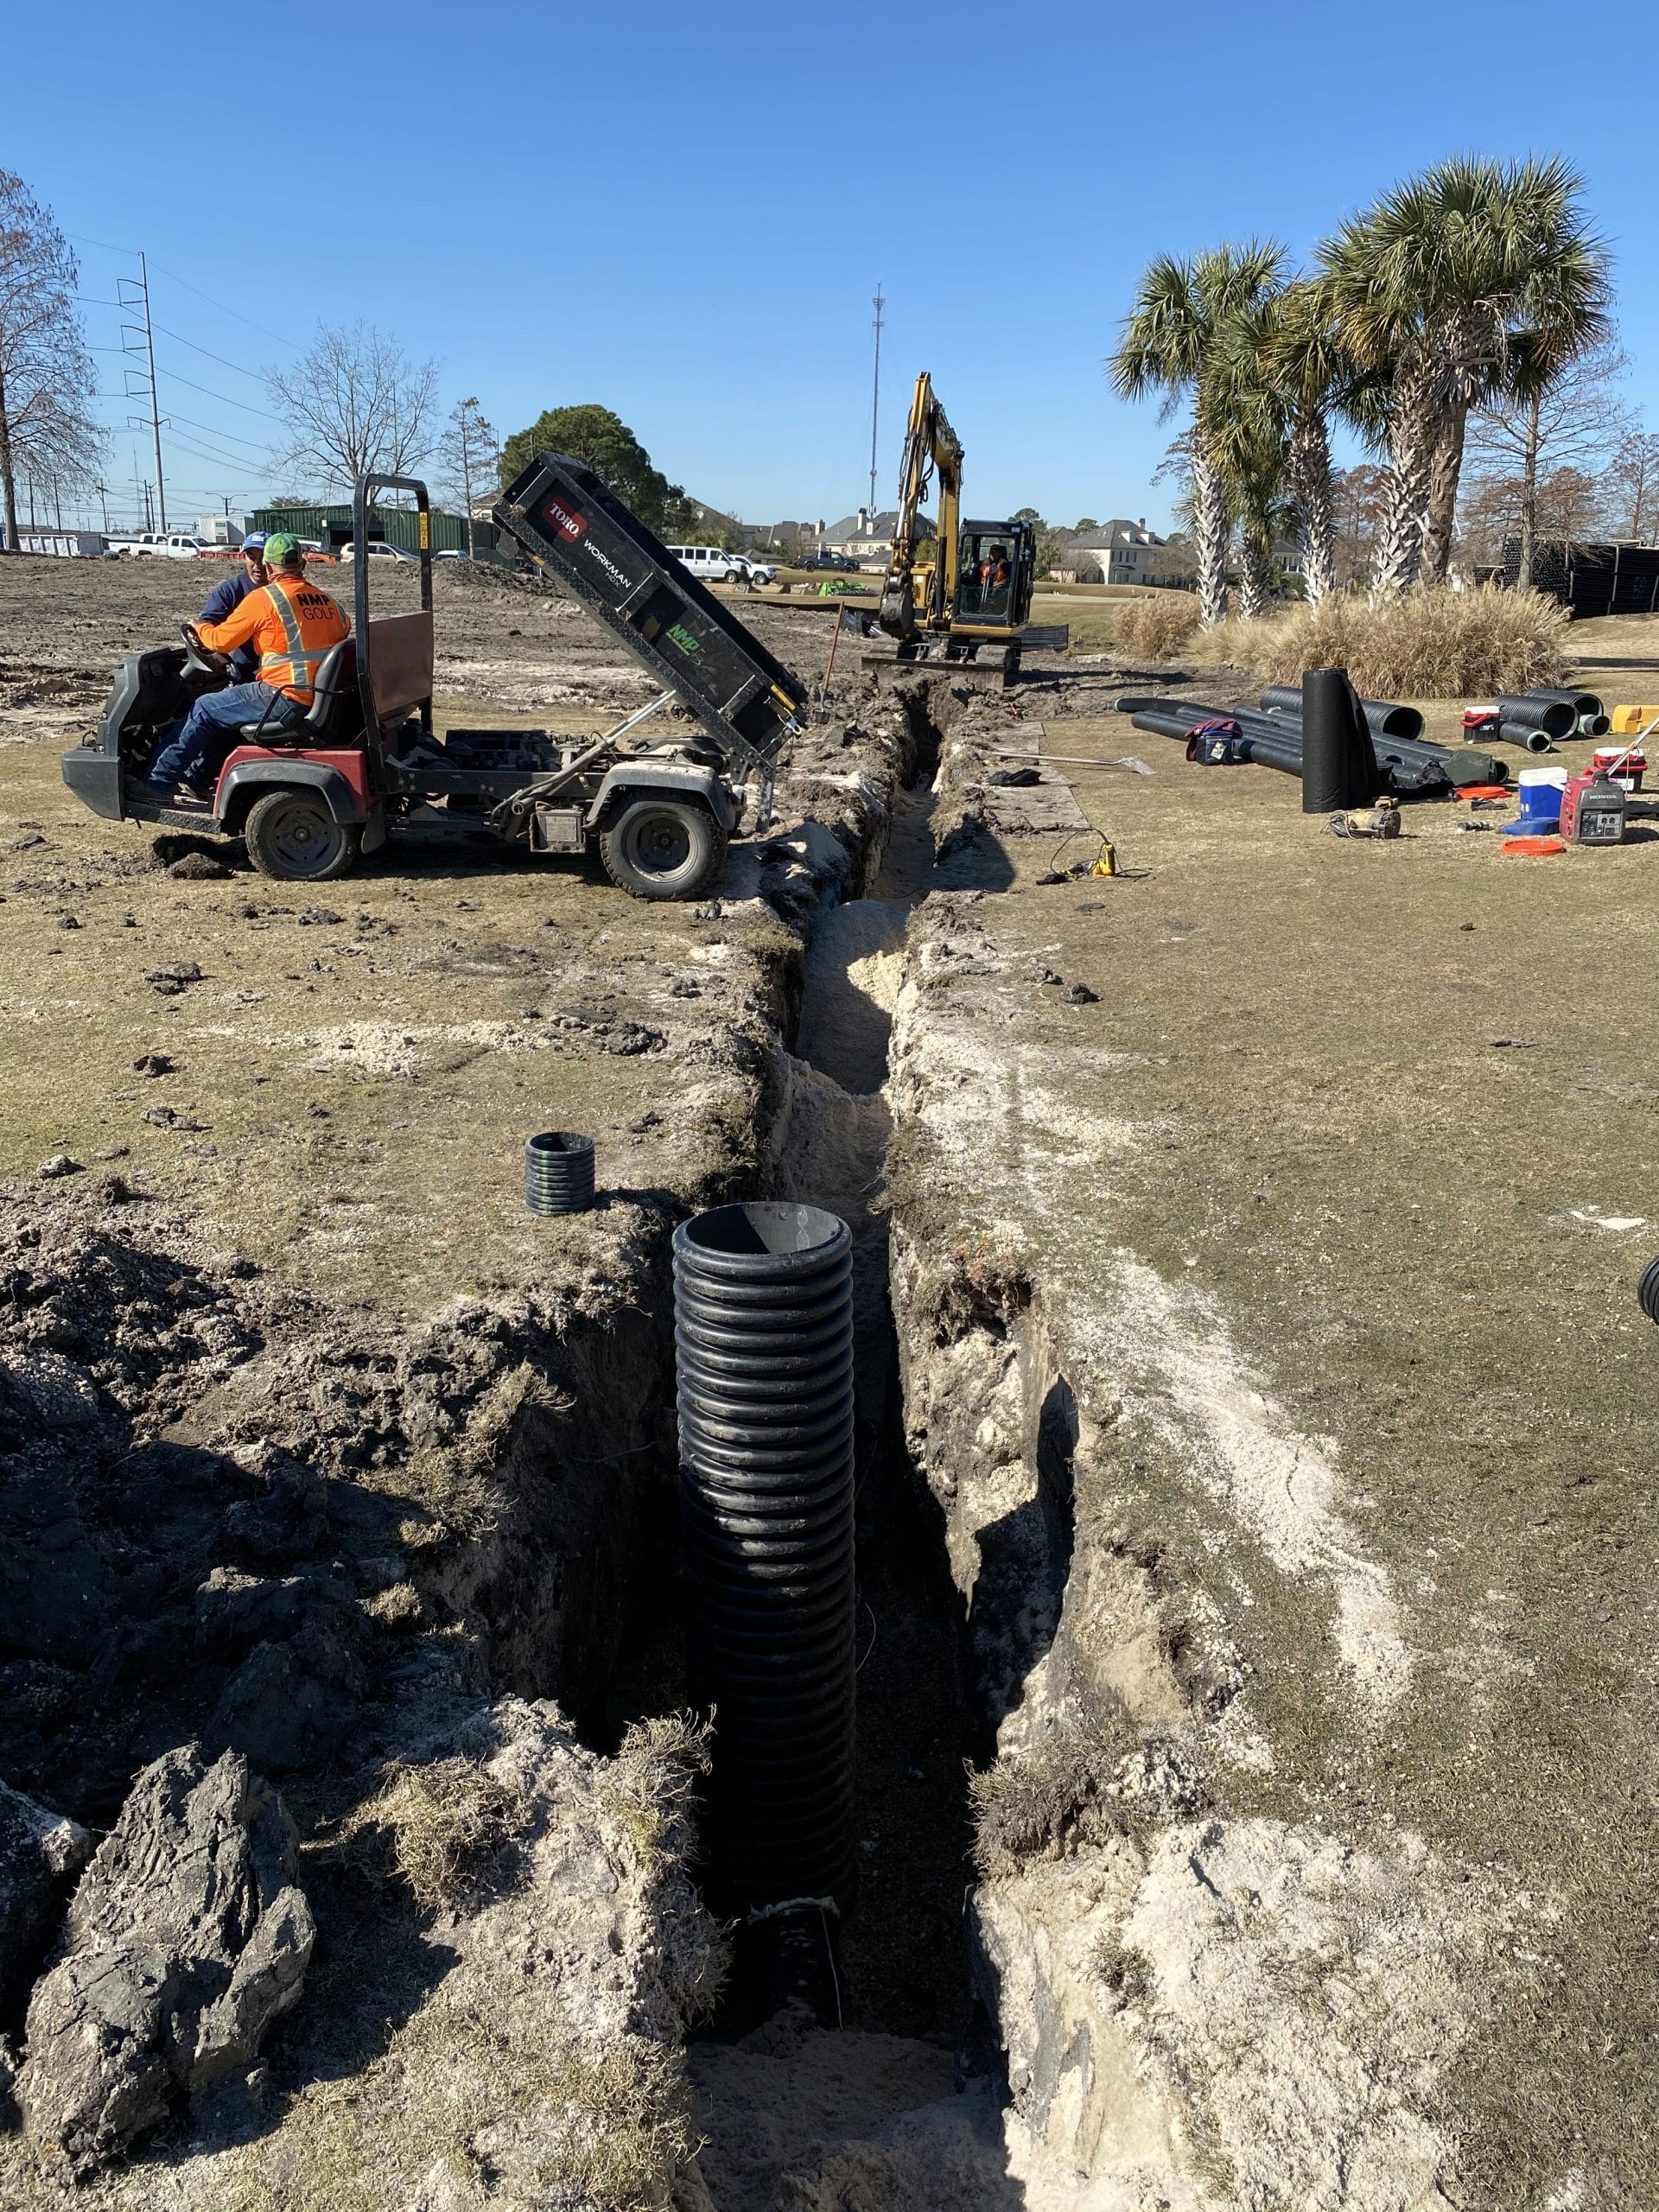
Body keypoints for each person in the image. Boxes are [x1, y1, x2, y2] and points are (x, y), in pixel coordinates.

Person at [143, 535, 350, 802]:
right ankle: (200, 779)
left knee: (205, 708)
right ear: (303, 565)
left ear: (268, 566)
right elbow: (344, 629)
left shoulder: (264, 599)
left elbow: (220, 640)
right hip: (320, 696)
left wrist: (198, 627)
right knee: (226, 709)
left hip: (286, 695)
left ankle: (157, 784)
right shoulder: (327, 601)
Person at [198, 532, 268, 679]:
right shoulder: (230, 590)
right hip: (244, 669)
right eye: (252, 557)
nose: (258, 564)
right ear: (244, 558)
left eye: (263, 558)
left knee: (204, 703)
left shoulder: (281, 590)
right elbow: (208, 622)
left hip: (273, 671)